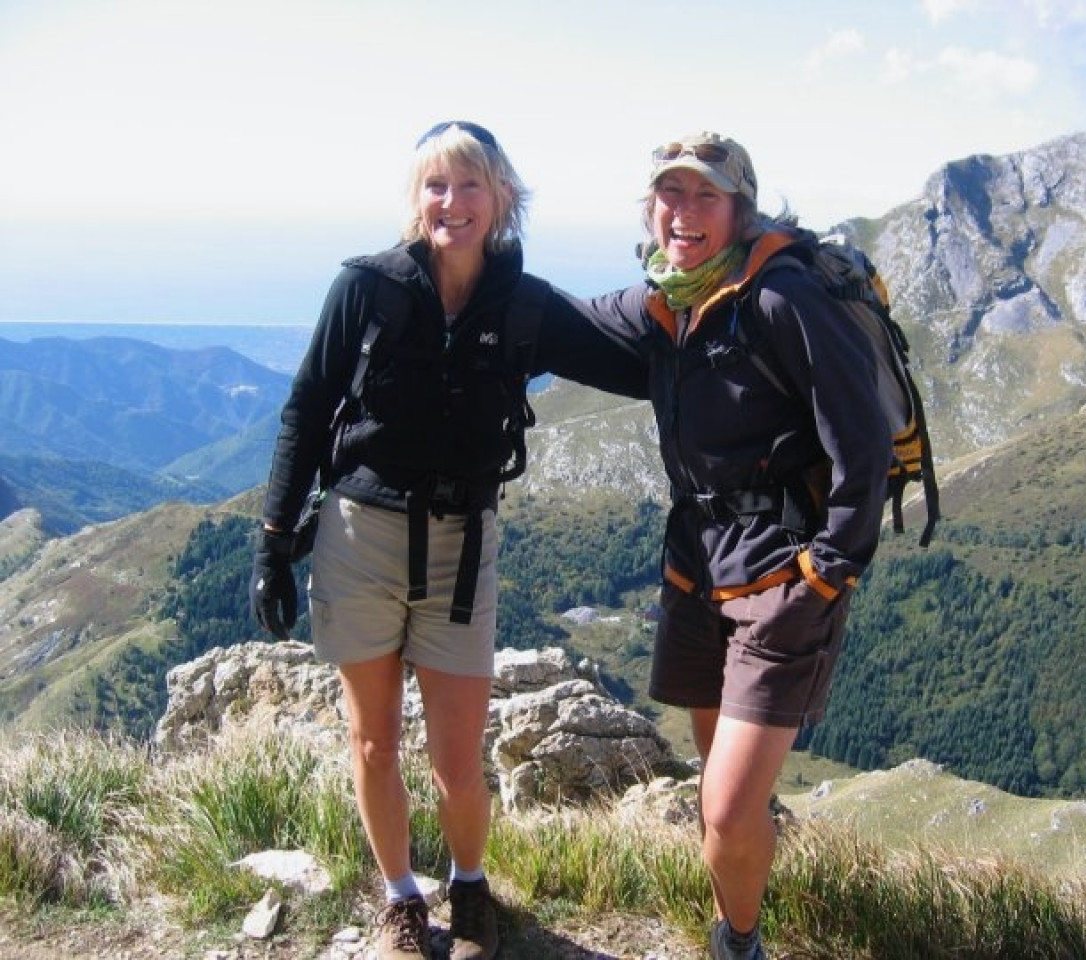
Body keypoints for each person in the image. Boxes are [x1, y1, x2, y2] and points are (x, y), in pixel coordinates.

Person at [249, 121, 644, 960]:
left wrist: (724, 305)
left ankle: (469, 891)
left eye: (471, 186)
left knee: (459, 755)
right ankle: (400, 901)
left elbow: (631, 360)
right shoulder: (366, 287)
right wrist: (273, 540)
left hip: (462, 549)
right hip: (357, 537)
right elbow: (307, 407)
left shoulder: (524, 304)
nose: (452, 203)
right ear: (415, 197)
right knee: (373, 740)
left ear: (504, 199)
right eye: (436, 185)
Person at [582, 133, 893, 959]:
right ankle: (736, 921)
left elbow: (861, 450)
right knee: (723, 790)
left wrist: (825, 578)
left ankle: (739, 943)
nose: (683, 212)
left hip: (781, 580)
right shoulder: (669, 301)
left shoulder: (783, 299)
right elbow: (564, 325)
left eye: (705, 197)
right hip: (695, 571)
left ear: (740, 208)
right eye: (669, 194)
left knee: (722, 807)